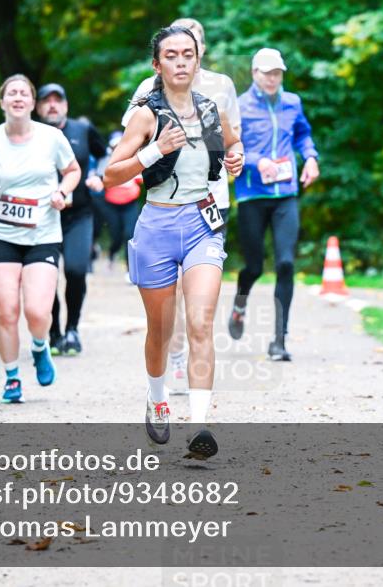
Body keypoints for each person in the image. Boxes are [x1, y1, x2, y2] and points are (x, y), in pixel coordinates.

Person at [105, 26, 243, 458]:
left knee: (201, 323)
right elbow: (112, 174)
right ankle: (156, 397)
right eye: (172, 55)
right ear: (157, 65)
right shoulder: (147, 114)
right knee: (161, 331)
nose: (181, 62)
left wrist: (237, 159)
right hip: (157, 227)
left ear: (197, 60)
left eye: (188, 54)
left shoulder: (211, 109)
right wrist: (155, 150)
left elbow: (234, 149)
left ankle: (200, 425)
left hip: (202, 223)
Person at [0, 75, 81, 403]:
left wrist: (62, 191)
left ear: (32, 102)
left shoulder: (52, 138)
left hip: (42, 232)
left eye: (23, 93)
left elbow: (73, 171)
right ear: (2, 102)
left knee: (39, 312)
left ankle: (40, 348)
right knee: (6, 309)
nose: (17, 97)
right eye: (11, 93)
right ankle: (12, 376)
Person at [227, 48, 320, 362]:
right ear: (254, 73)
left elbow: (303, 135)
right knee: (253, 267)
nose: (271, 79)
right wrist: (257, 161)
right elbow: (231, 147)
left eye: (276, 73)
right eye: (266, 73)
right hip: (252, 196)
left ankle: (279, 340)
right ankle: (240, 304)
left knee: (285, 263)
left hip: (285, 195)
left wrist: (310, 157)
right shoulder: (239, 106)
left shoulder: (292, 102)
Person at [35, 83, 108, 356]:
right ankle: (54, 333)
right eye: (46, 100)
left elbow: (104, 154)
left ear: (65, 105)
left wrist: (97, 175)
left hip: (79, 213)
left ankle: (73, 329)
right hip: (42, 217)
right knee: (46, 278)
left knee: (76, 270)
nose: (52, 105)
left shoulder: (82, 130)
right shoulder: (31, 134)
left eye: (58, 100)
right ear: (38, 106)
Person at [99, 131, 142, 272]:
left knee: (130, 234)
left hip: (130, 203)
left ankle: (130, 268)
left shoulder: (135, 159)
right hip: (112, 204)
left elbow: (141, 179)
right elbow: (101, 181)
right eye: (114, 146)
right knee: (116, 235)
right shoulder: (106, 161)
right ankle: (112, 255)